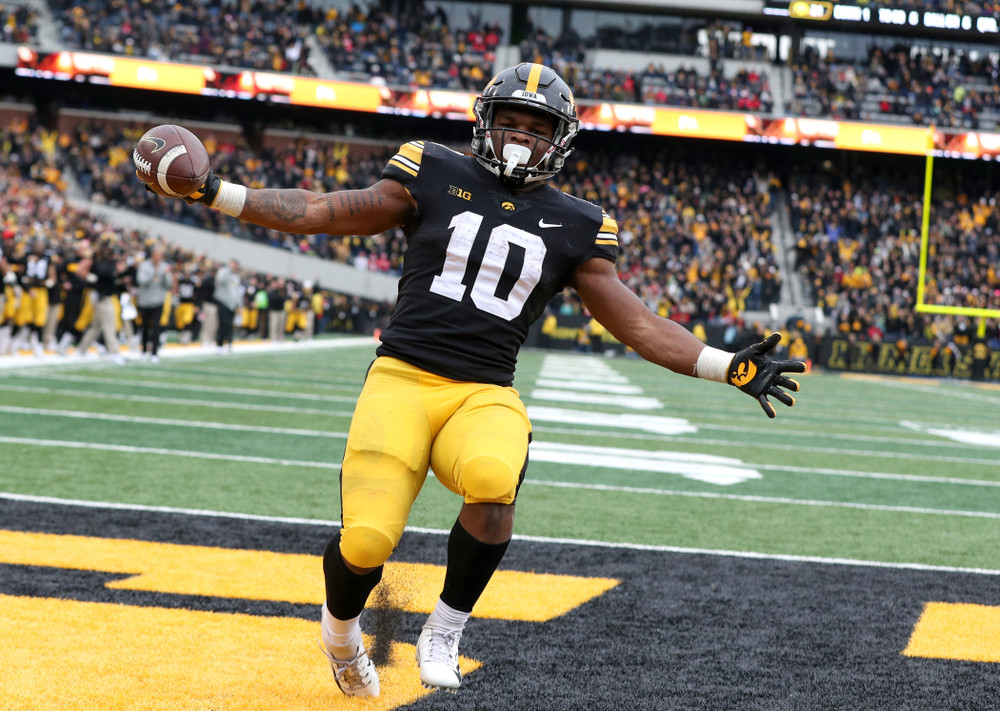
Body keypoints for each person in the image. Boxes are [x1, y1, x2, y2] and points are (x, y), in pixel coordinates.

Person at [139, 63, 805, 698]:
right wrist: (215, 192)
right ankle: (341, 636)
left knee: (493, 476)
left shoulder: (579, 223)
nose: (521, 135)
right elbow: (324, 209)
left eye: (537, 126)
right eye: (512, 120)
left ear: (560, 139)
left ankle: (445, 628)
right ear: (485, 120)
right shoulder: (432, 168)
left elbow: (635, 321)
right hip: (402, 378)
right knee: (366, 541)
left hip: (483, 389)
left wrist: (726, 366)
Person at [135, 245, 174, 363]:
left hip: (158, 300)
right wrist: (155, 273)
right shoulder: (144, 265)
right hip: (145, 301)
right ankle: (143, 351)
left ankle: (154, 353)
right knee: (145, 326)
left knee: (157, 327)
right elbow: (141, 281)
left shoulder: (165, 266)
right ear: (153, 255)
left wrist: (166, 275)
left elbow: (168, 285)